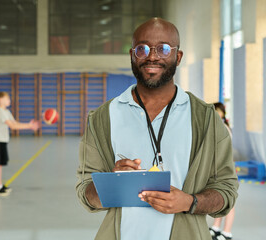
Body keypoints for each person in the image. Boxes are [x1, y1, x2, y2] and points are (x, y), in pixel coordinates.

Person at [76, 18, 239, 240]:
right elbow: (86, 192)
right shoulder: (102, 118)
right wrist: (112, 184)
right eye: (142, 48)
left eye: (163, 48)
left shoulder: (206, 118)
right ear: (133, 55)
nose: (152, 56)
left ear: (178, 57)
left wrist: (190, 202)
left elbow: (227, 190)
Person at [0, 92, 40, 195]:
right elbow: (12, 127)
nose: (9, 100)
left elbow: (15, 123)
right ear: (0, 100)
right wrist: (29, 127)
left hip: (3, 141)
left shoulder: (6, 111)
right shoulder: (0, 111)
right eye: (7, 98)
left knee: (0, 163)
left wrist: (28, 124)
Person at [209, 102, 235, 240]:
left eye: (218, 111)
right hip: (216, 170)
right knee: (218, 198)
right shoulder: (215, 128)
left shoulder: (224, 129)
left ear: (223, 113)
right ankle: (216, 227)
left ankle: (227, 232)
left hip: (225, 170)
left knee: (228, 201)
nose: (216, 114)